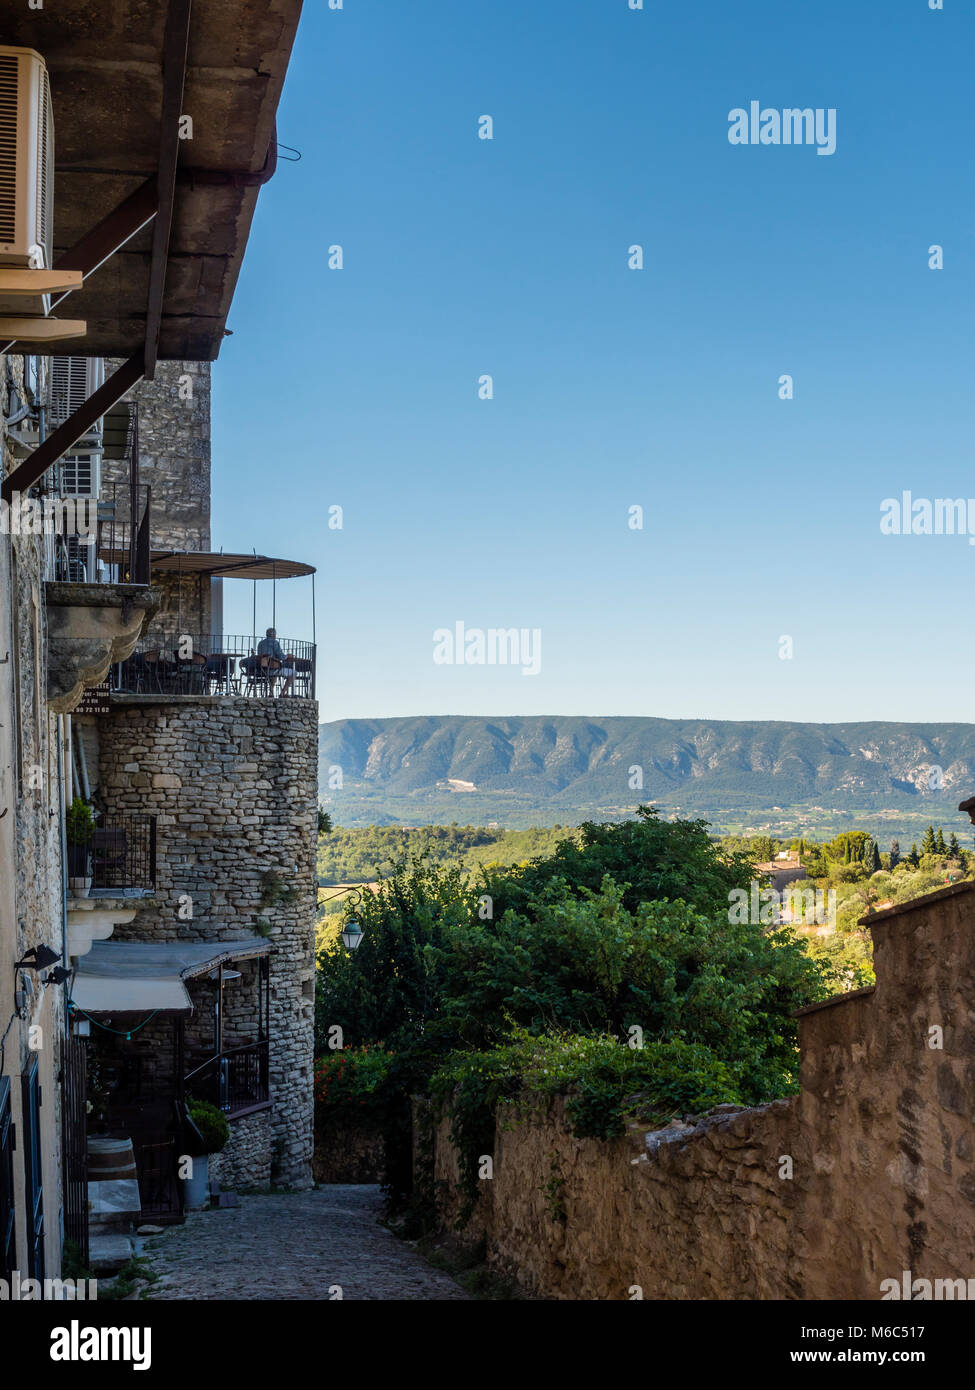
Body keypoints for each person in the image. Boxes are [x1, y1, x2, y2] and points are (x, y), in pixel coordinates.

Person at [256, 627, 294, 695]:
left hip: (262, 669)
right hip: (272, 669)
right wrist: (287, 656)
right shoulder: (274, 642)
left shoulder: (260, 643)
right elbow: (281, 656)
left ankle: (271, 692)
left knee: (273, 670)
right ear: (274, 635)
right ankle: (283, 692)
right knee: (293, 673)